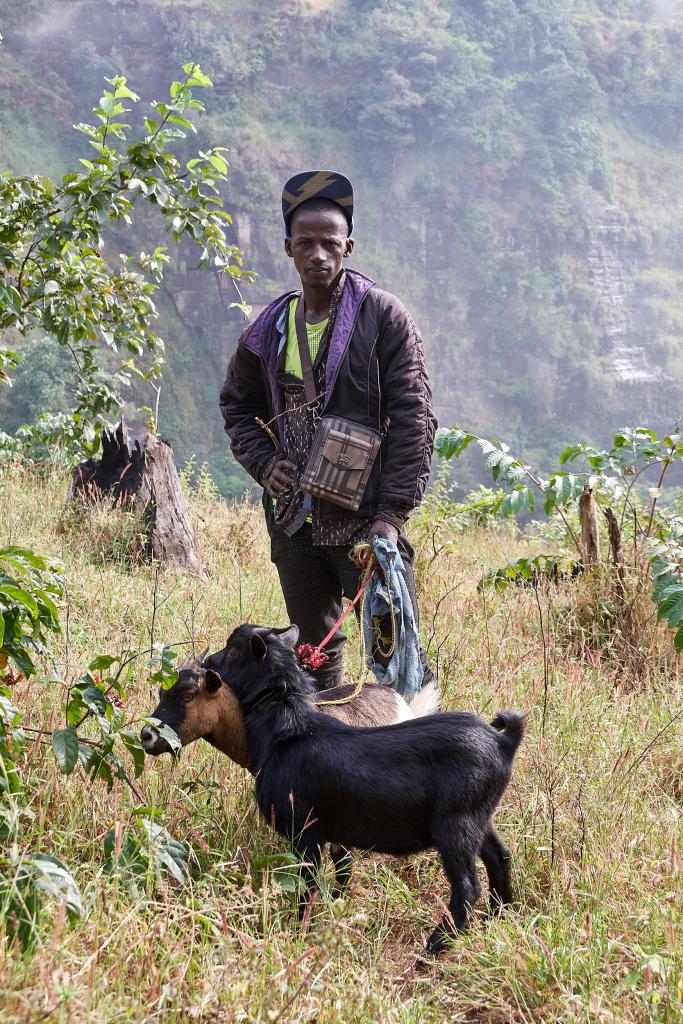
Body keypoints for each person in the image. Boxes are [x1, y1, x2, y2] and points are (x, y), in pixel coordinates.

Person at [220, 170, 437, 690]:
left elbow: (415, 417)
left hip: (365, 528)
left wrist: (392, 516)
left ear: (349, 247)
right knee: (314, 660)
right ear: (288, 248)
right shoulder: (267, 329)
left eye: (330, 243)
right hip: (294, 526)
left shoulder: (382, 316)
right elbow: (235, 405)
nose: (318, 253)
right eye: (306, 243)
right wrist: (266, 465)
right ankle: (329, 762)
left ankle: (419, 761)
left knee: (397, 661)